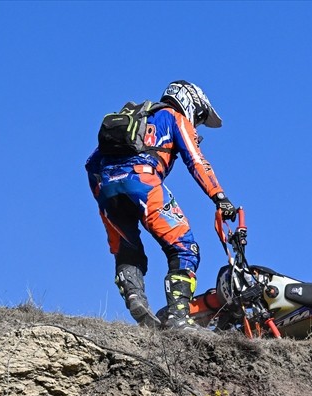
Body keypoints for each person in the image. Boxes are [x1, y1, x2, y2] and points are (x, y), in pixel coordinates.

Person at [86, 80, 238, 330]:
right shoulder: (174, 117)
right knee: (185, 248)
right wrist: (220, 197)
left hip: (105, 188)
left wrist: (103, 196)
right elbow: (197, 160)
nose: (197, 124)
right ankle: (179, 317)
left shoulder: (137, 120)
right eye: (199, 118)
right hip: (144, 182)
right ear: (192, 104)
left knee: (127, 249)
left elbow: (91, 163)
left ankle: (136, 298)